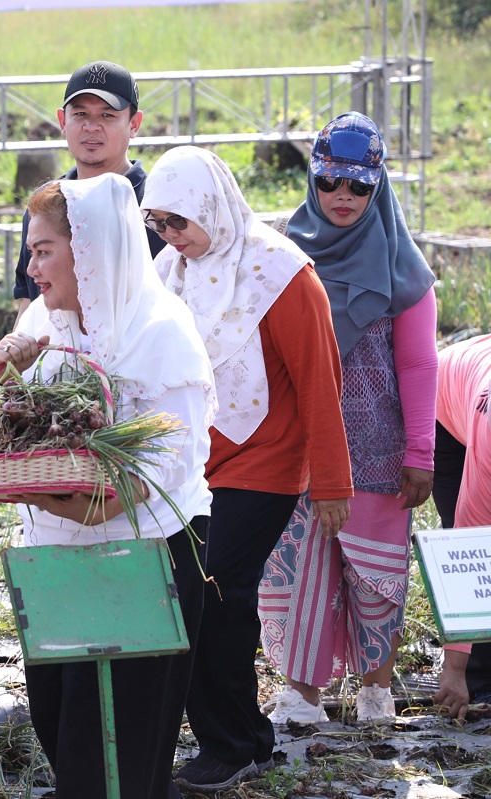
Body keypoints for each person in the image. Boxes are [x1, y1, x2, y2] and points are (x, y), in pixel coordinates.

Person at [137, 145, 353, 792]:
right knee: (195, 599)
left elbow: (320, 379)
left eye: (179, 221)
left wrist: (333, 482)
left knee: (213, 595)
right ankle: (244, 735)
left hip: (264, 465)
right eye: (159, 224)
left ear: (210, 206)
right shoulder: (170, 269)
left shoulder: (281, 272)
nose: (171, 237)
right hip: (191, 465)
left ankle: (230, 742)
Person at [0, 175, 215, 799]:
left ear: (88, 252)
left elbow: (160, 468)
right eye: (30, 251)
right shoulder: (47, 317)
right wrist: (5, 376)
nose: (31, 267)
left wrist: (35, 492)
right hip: (57, 560)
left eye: (43, 251)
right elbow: (21, 424)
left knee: (117, 750)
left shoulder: (161, 332)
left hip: (141, 563)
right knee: (60, 726)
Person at [257, 112, 438, 726]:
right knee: (299, 565)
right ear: (313, 178)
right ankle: (301, 694)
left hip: (380, 450)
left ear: (378, 186)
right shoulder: (282, 253)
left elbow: (417, 366)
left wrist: (422, 454)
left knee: (375, 575)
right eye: (332, 182)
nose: (343, 197)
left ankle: (376, 692)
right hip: (298, 445)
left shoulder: (404, 268)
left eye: (359, 186)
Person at [12, 61, 165, 322]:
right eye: (80, 115)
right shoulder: (45, 204)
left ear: (134, 124)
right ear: (62, 120)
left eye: (107, 116)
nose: (91, 127)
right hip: (55, 358)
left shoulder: (158, 205)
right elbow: (30, 299)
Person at [430, 334, 491, 721]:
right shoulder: (487, 447)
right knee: (480, 548)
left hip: (475, 369)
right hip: (445, 409)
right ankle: (478, 675)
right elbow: (466, 552)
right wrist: (453, 670)